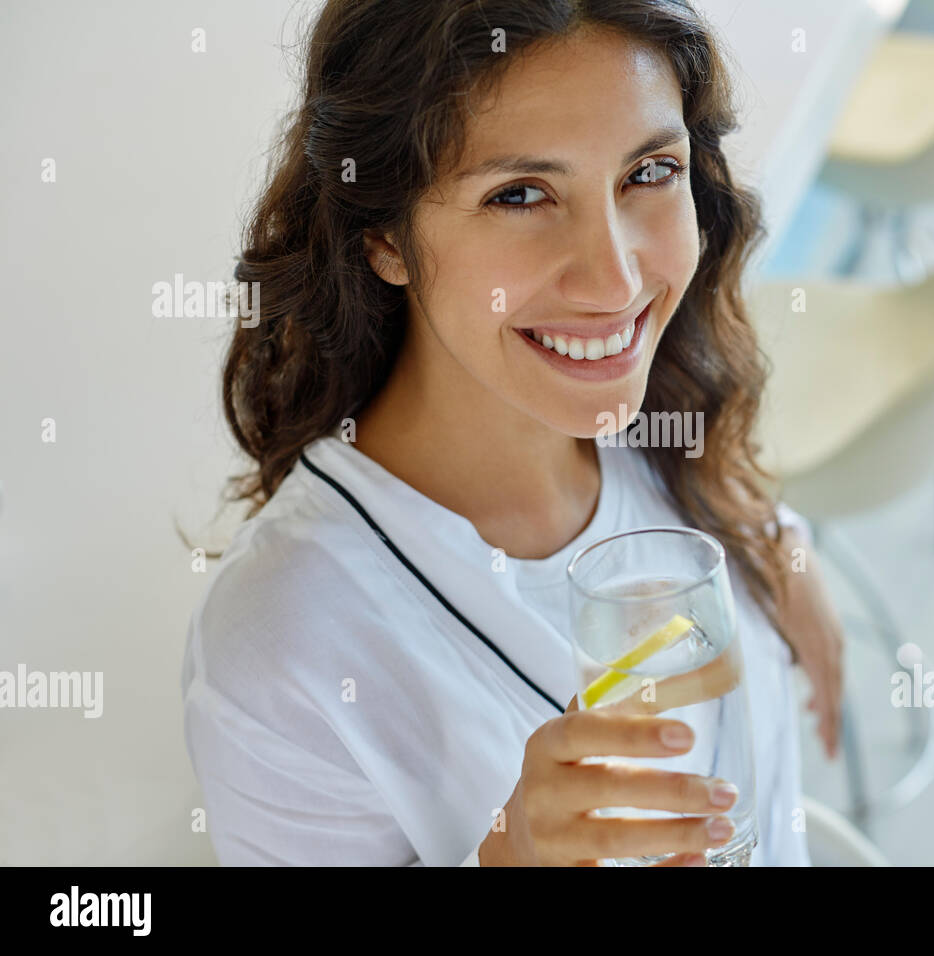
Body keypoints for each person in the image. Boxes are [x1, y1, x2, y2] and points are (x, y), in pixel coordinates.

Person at [181, 0, 845, 867]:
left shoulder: (667, 426)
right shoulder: (283, 649)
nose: (614, 280)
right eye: (520, 195)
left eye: (648, 172)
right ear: (382, 235)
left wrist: (770, 541)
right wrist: (509, 856)